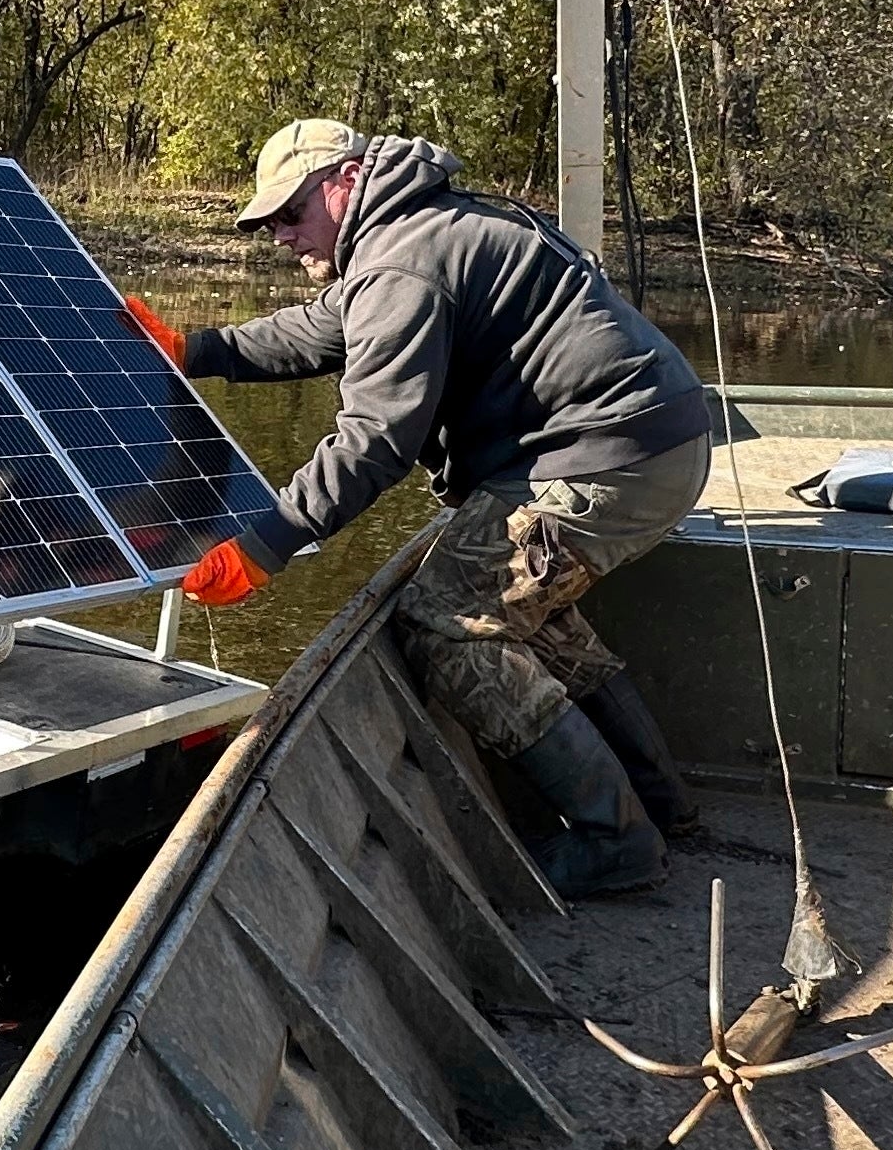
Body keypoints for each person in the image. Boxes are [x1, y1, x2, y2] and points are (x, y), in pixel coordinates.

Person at [156, 116, 714, 894]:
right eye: (269, 222)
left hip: (609, 458)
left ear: (344, 183)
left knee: (445, 621)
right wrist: (199, 351)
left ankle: (614, 840)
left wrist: (267, 544)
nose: (280, 235)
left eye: (290, 213)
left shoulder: (402, 264)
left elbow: (374, 439)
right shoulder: (417, 230)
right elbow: (324, 330)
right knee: (535, 615)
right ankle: (660, 808)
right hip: (651, 443)